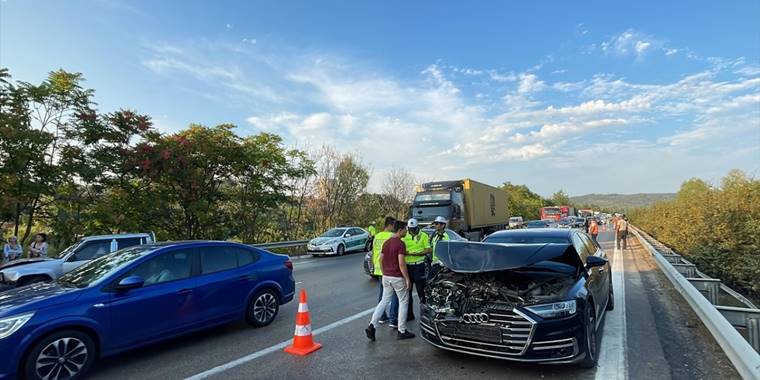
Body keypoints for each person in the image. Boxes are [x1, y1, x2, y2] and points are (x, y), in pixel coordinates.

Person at [365, 220, 415, 341]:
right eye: (405, 230)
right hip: (397, 277)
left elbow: (381, 259)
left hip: (386, 277)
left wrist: (384, 272)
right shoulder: (400, 244)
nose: (406, 232)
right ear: (400, 230)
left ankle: (372, 325)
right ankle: (401, 331)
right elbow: (401, 263)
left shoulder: (387, 243)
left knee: (383, 301)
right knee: (403, 302)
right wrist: (407, 278)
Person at [399, 218, 431, 322]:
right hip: (408, 266)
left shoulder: (424, 236)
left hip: (419, 266)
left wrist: (417, 254)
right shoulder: (404, 236)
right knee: (407, 291)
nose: (411, 231)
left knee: (421, 292)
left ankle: (425, 315)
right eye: (410, 229)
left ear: (417, 227)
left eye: (413, 229)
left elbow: (428, 249)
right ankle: (409, 315)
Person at [372, 217, 396, 324]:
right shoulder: (391, 236)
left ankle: (382, 316)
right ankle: (393, 318)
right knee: (392, 294)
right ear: (390, 225)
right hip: (387, 268)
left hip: (378, 268)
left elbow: (373, 251)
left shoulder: (377, 236)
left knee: (382, 294)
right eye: (394, 225)